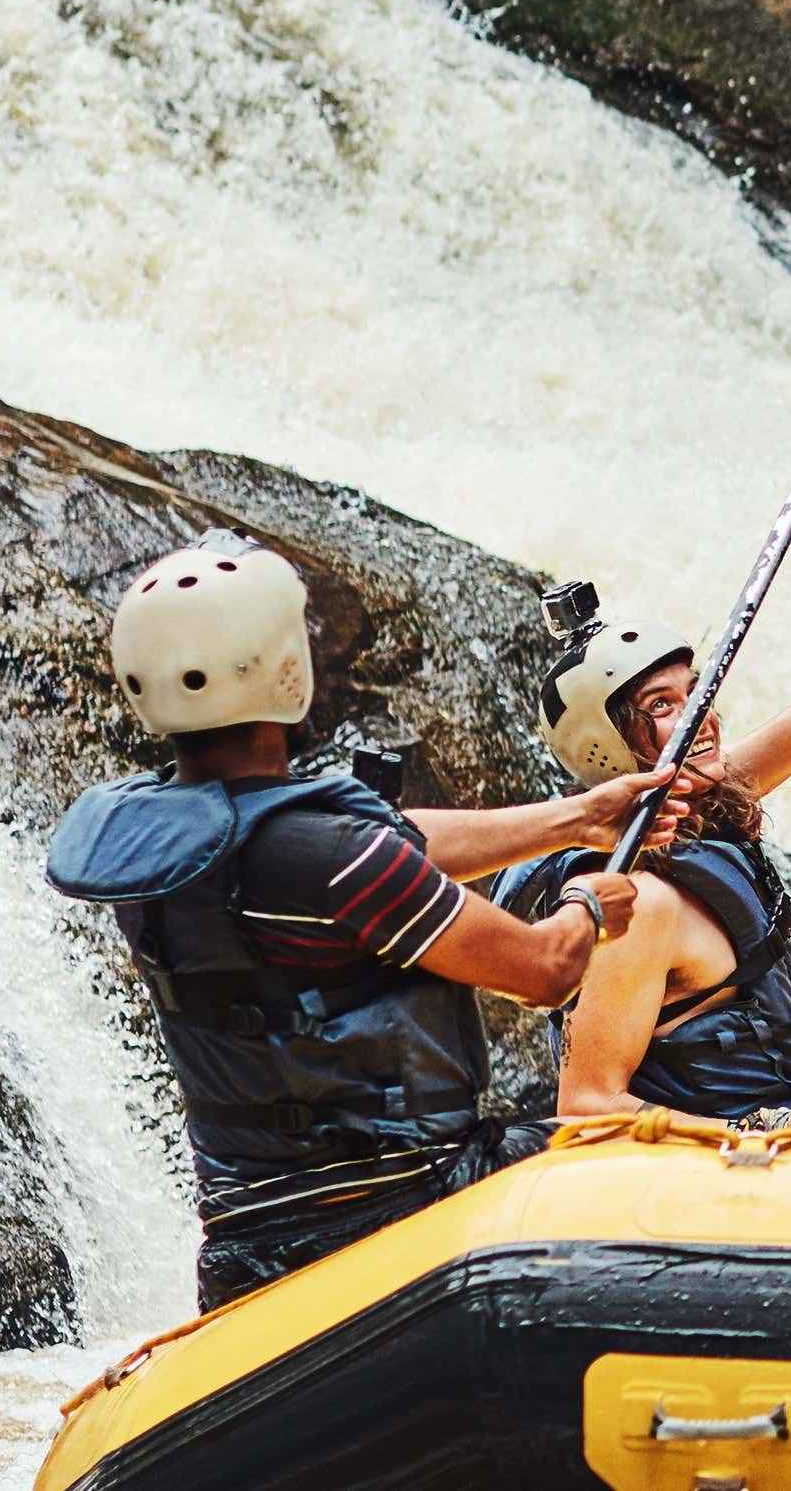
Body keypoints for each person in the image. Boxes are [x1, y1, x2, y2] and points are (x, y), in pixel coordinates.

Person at [46, 541, 656, 1308]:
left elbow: (389, 841)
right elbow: (545, 969)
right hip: (411, 1202)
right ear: (287, 672)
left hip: (244, 1239)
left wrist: (574, 818)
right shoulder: (335, 857)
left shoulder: (148, 839)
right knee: (650, 1154)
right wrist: (589, 905)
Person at [463, 562, 791, 1120]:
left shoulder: (702, 804)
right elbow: (587, 1106)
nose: (701, 719)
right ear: (604, 745)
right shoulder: (635, 904)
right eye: (663, 706)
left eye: (694, 692)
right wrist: (751, 1136)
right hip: (754, 1153)